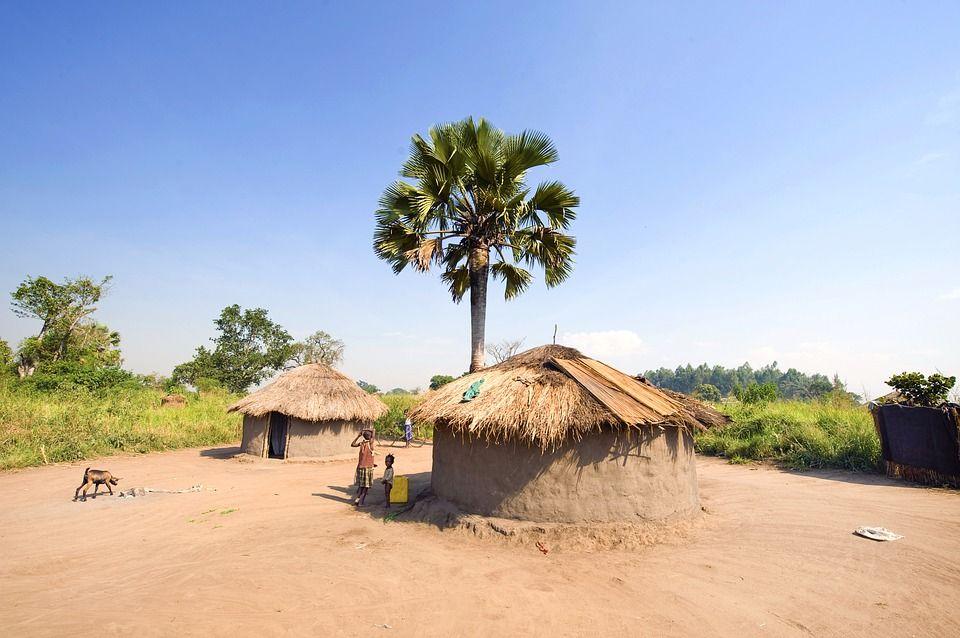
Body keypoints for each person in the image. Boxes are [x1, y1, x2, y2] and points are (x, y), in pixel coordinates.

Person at [350, 429, 375, 506]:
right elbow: (374, 430)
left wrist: (359, 435)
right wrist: (365, 429)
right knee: (366, 487)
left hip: (361, 467)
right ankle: (361, 502)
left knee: (361, 486)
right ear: (370, 437)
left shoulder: (361, 443)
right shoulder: (370, 443)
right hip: (368, 468)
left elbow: (352, 444)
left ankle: (357, 501)